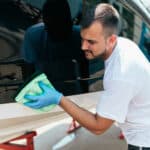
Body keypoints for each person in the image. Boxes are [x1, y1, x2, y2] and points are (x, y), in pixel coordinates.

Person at [24, 3, 150, 150]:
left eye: (91, 42)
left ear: (111, 40)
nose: (83, 46)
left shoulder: (121, 73)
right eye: (83, 38)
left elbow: (98, 127)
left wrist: (58, 99)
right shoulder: (124, 45)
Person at [21, 0, 88, 96]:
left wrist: (85, 94)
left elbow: (84, 69)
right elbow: (28, 70)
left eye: (62, 27)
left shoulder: (79, 36)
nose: (58, 33)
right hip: (43, 93)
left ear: (69, 23)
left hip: (71, 92)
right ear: (46, 25)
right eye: (53, 28)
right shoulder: (33, 36)